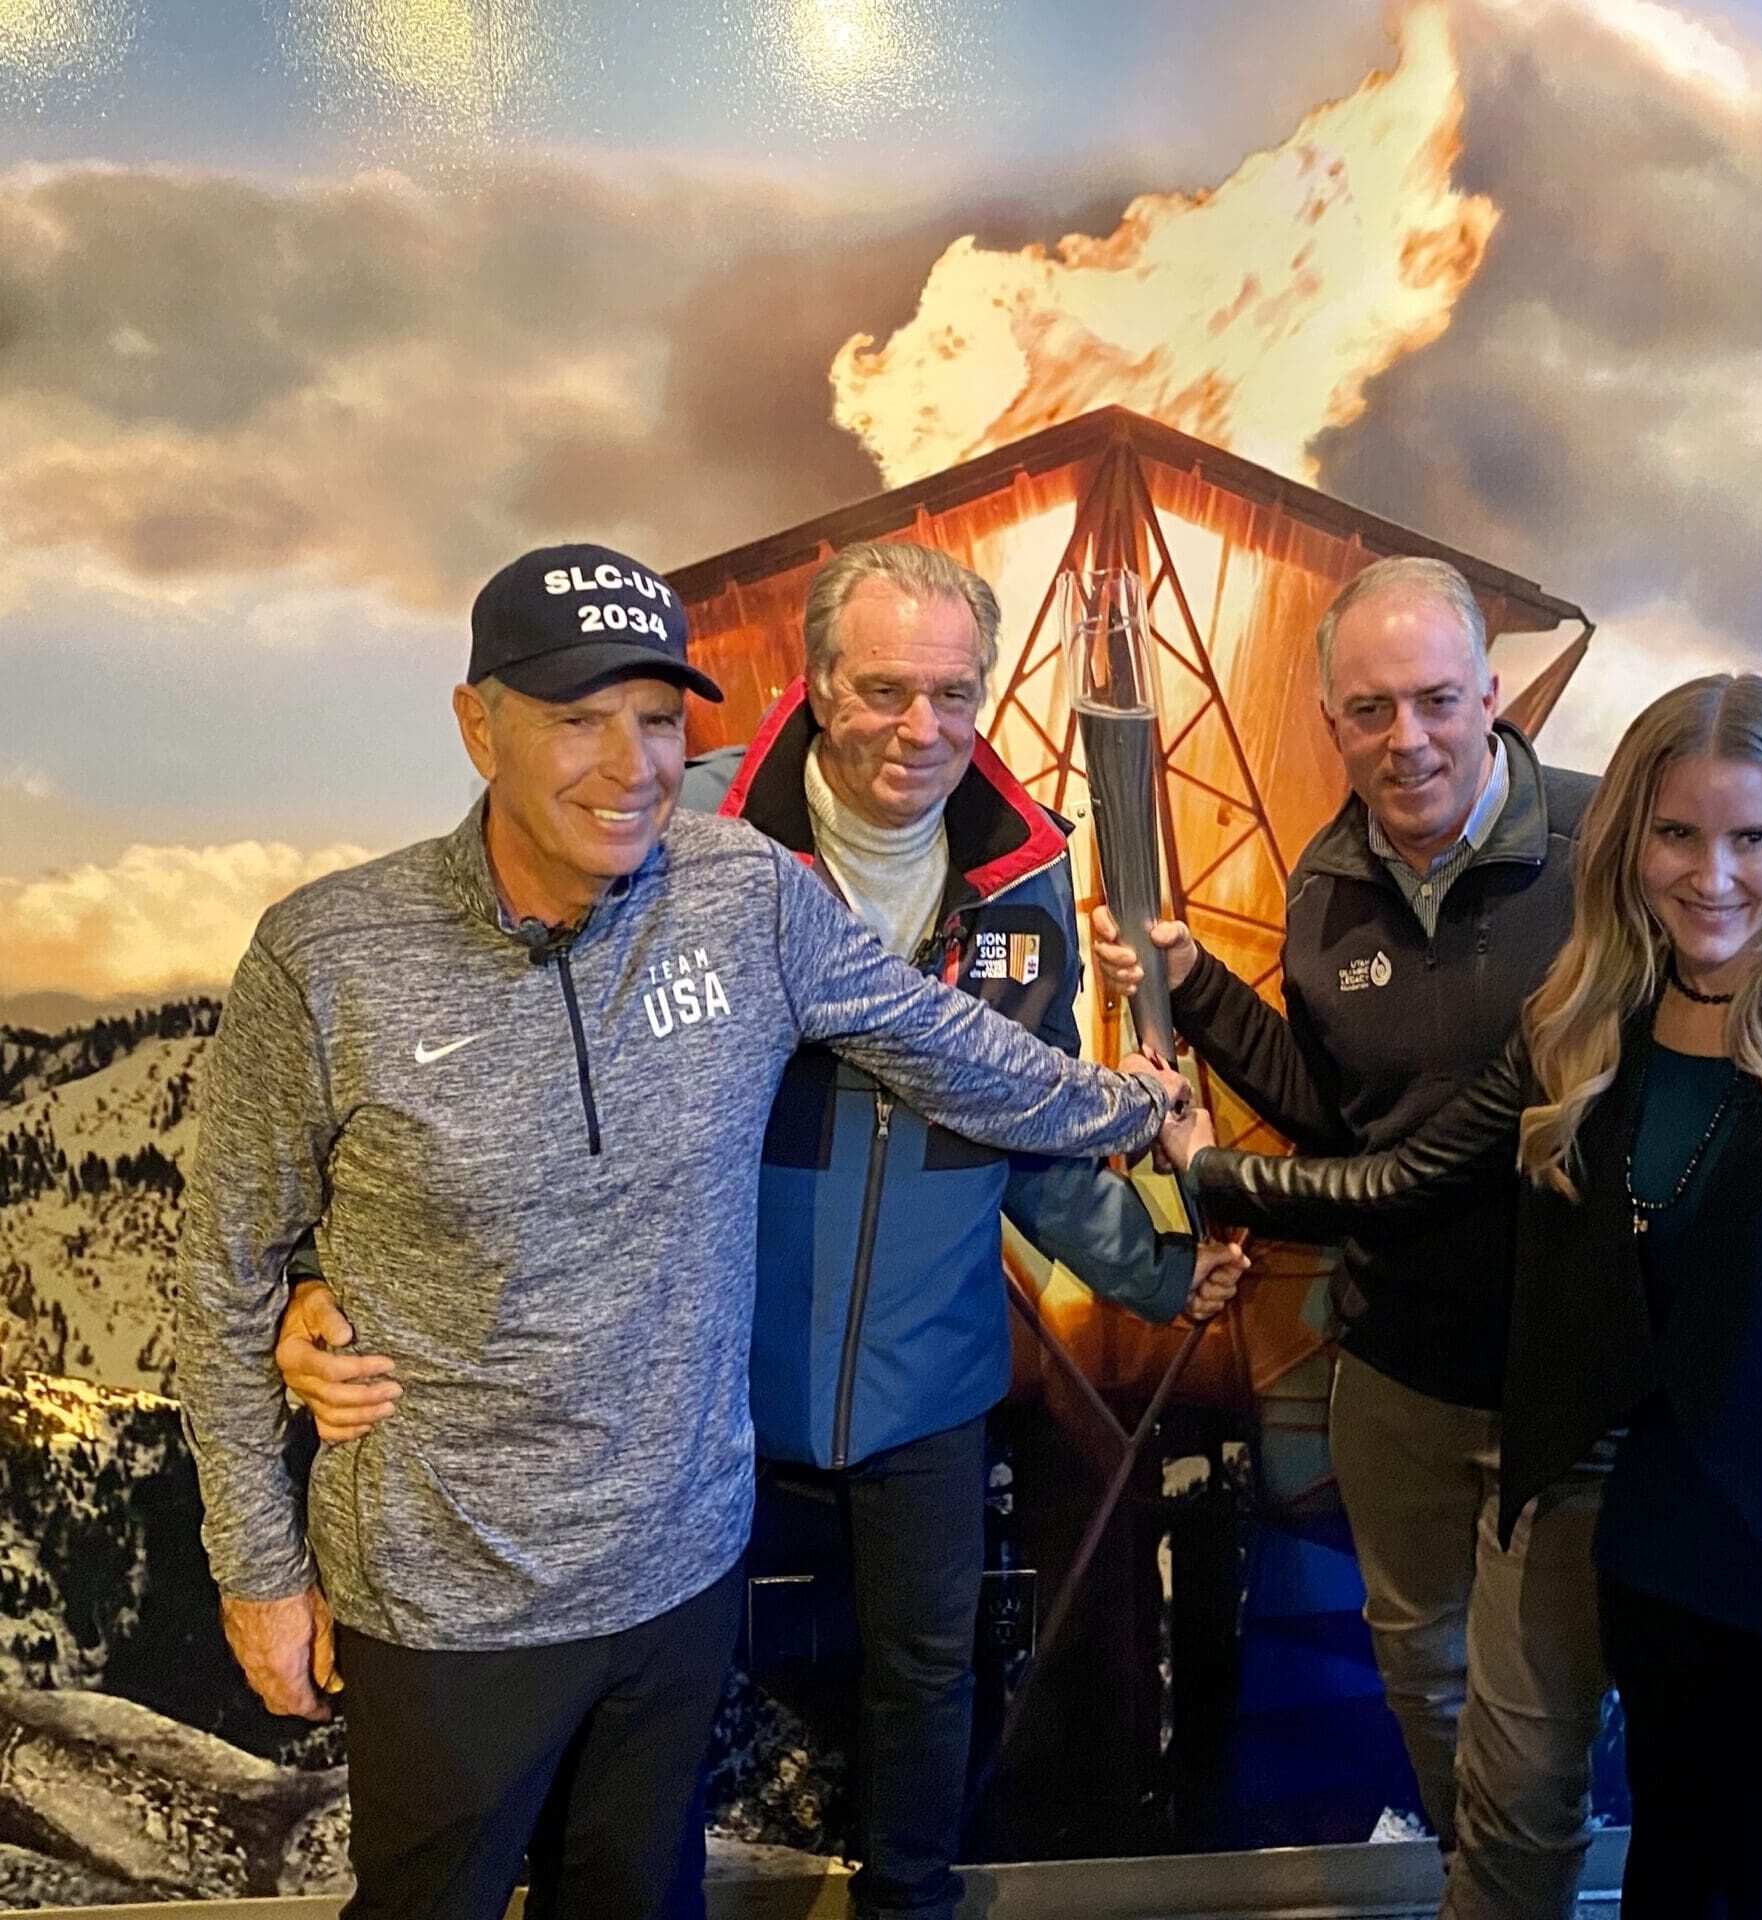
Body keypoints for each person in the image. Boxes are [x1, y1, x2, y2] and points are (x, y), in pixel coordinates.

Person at [175, 542, 1179, 1920]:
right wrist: (260, 1570)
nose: (628, 763)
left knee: (641, 1896)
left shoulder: (744, 892)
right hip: (450, 1587)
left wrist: (1134, 1104)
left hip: (678, 1565)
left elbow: (953, 1050)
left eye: (655, 720)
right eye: (577, 717)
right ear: (478, 725)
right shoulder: (331, 953)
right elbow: (225, 1271)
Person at [1091, 558, 1762, 1920]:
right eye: (1678, 839)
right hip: (1649, 1541)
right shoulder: (1582, 1014)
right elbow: (1382, 1150)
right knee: (1660, 1862)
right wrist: (1194, 997)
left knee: (1730, 1866)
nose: (1710, 874)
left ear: (1492, 699)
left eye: (1749, 841)